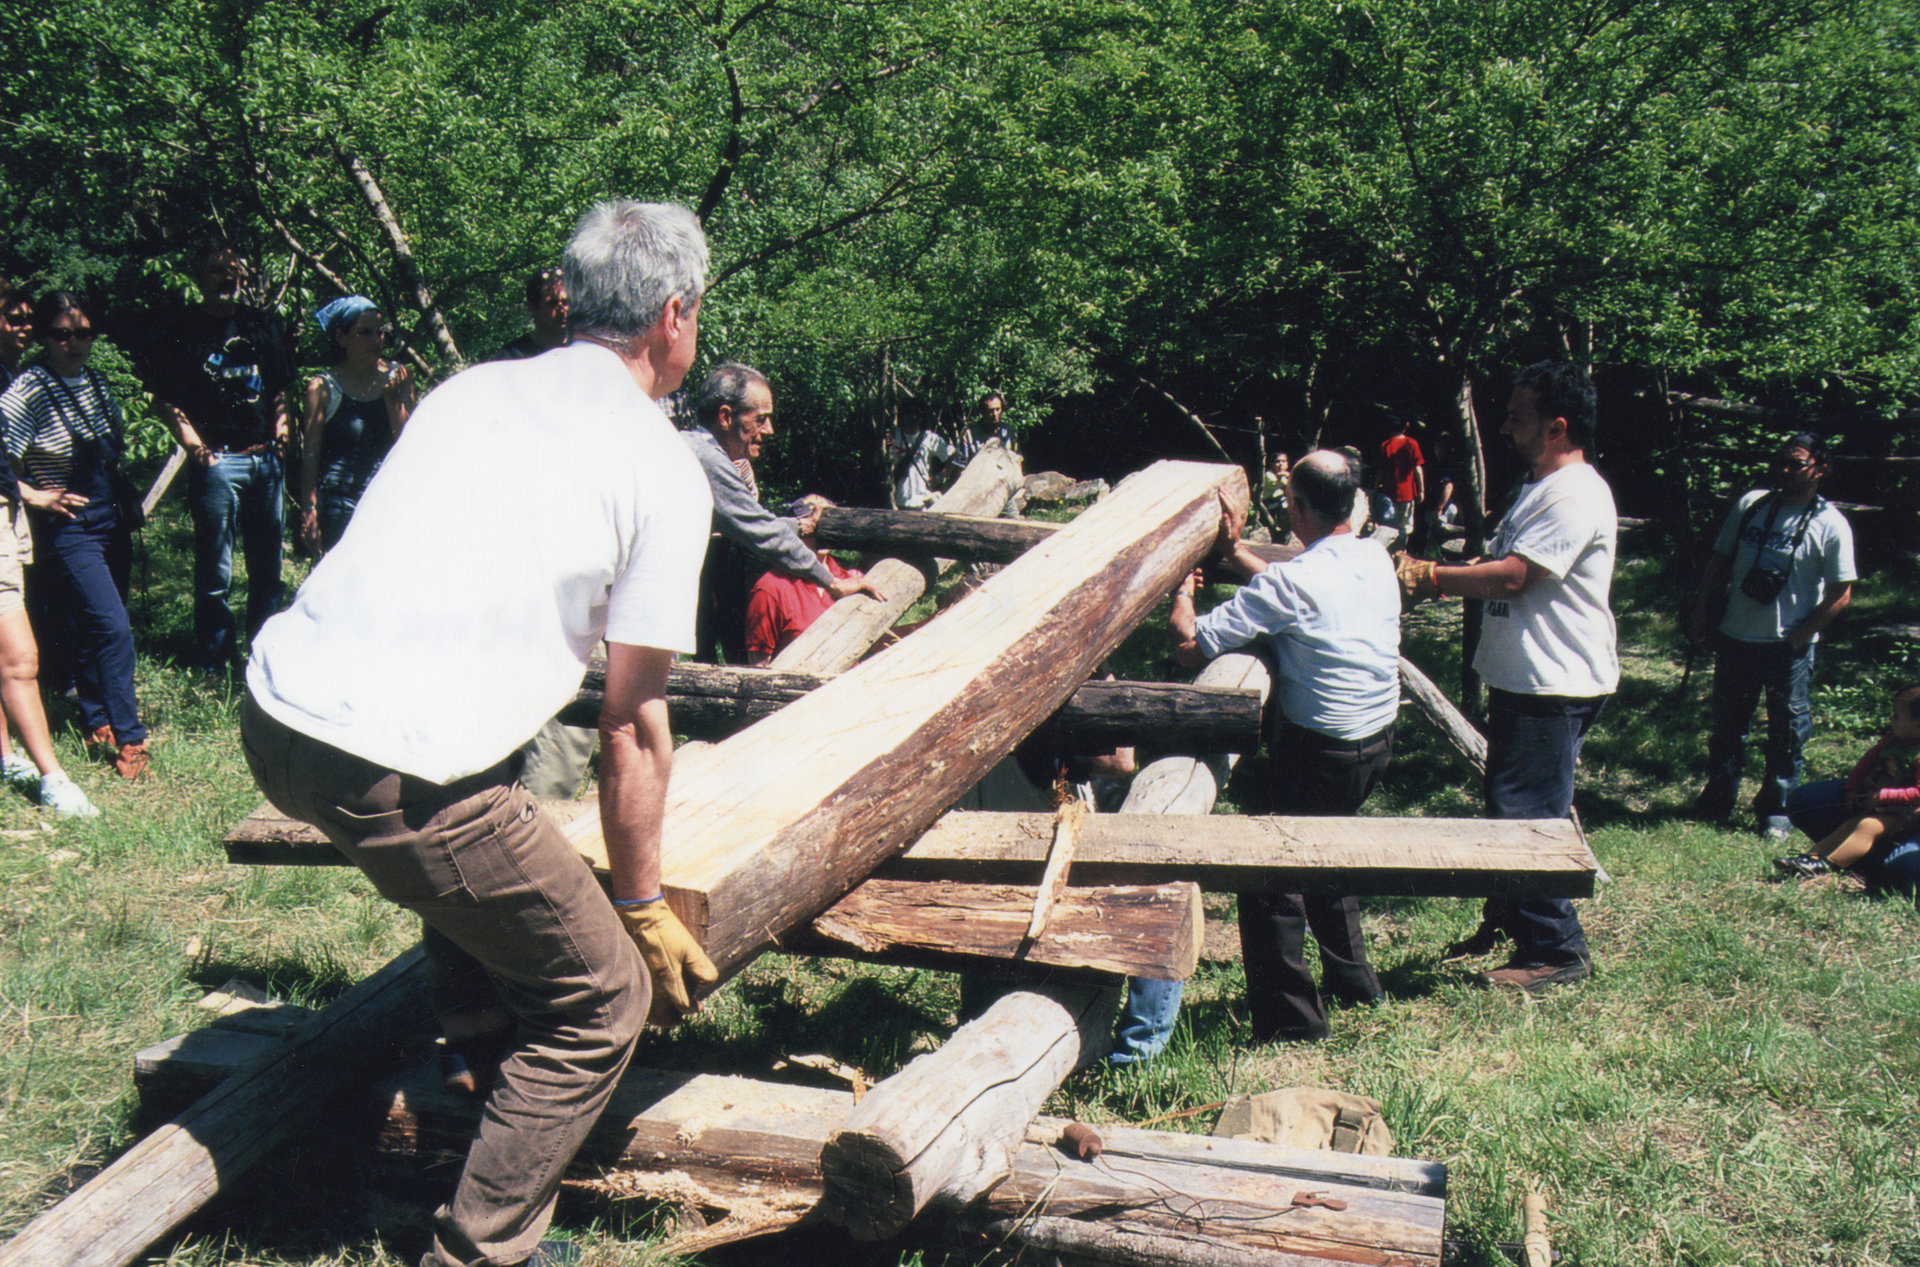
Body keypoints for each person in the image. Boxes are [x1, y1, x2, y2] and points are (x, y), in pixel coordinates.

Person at [242, 200, 719, 1267]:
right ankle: (480, 1248)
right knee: (602, 1000)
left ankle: (476, 1050)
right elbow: (634, 721)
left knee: (489, 809)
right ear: (674, 317)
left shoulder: (473, 391)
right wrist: (638, 905)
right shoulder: (659, 466)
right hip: (392, 766)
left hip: (275, 712)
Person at [1163, 449, 1398, 1044]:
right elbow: (1289, 587)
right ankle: (1354, 981)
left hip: (1322, 751)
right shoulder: (1373, 555)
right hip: (1374, 744)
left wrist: (1180, 594)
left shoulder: (1297, 580)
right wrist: (1235, 552)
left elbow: (1190, 647)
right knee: (1330, 848)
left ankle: (1292, 1019)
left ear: (1295, 505)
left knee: (1268, 872)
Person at [1398, 361, 1615, 993]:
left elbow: (1518, 575)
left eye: (1518, 416)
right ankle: (1517, 921)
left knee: (1528, 820)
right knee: (1515, 807)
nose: (1505, 426)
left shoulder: (1574, 492)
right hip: (1531, 680)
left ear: (1557, 426)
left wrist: (1429, 577)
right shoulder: (1541, 485)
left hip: (1554, 682)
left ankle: (1557, 951)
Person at [1, 292, 148, 781]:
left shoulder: (98, 383)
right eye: (62, 334)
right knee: (114, 627)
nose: (74, 343)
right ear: (43, 338)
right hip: (68, 528)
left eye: (82, 332)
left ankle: (96, 720)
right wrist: (37, 497)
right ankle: (132, 740)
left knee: (94, 629)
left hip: (110, 518)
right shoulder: (28, 391)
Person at [1688, 433, 1854, 840]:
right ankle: (1718, 797)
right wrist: (1700, 607)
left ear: (1820, 468)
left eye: (1794, 463)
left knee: (1787, 732)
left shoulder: (1829, 524)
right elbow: (1721, 559)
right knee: (1727, 725)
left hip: (1786, 648)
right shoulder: (1753, 505)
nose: (1783, 470)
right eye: (1779, 461)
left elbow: (1841, 592)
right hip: (1735, 636)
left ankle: (1777, 809)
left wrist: (1802, 637)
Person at [139, 244, 296, 670]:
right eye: (215, 268)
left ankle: (265, 657)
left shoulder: (262, 325)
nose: (226, 276)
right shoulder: (181, 330)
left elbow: (280, 387)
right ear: (199, 275)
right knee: (215, 571)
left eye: (232, 268)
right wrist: (197, 449)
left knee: (268, 568)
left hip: (265, 461)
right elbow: (166, 400)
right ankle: (215, 660)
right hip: (217, 463)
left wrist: (281, 436)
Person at [683, 362, 881, 664]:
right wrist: (832, 581)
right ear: (725, 417)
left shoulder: (693, 448)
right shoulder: (707, 460)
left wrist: (801, 526)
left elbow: (753, 521)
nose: (769, 430)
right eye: (760, 419)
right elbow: (760, 531)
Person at [0, 285, 97, 815]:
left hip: (7, 513)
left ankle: (5, 753)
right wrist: (35, 493)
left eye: (23, 318)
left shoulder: (10, 377)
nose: (20, 326)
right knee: (20, 658)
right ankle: (53, 779)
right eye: (10, 318)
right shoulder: (19, 387)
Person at [297, 296, 415, 553]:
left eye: (381, 332)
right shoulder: (323, 387)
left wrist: (392, 399)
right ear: (341, 338)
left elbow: (410, 443)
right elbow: (310, 455)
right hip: (339, 500)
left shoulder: (400, 376)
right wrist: (309, 510)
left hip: (388, 496)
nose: (377, 340)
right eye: (365, 333)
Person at [1774, 683, 1920, 884]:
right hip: (1877, 800)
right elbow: (1866, 762)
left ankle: (1830, 865)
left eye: (1896, 717)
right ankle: (1809, 859)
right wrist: (1852, 788)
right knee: (1848, 826)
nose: (1891, 720)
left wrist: (1883, 796)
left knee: (1866, 827)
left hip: (1902, 810)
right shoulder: (1893, 739)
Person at [743, 495, 854, 664]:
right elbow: (759, 666)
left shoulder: (851, 579)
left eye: (828, 524)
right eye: (813, 525)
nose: (821, 532)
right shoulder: (771, 588)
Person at [884, 397, 956, 510]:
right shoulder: (893, 436)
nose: (913, 417)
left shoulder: (929, 438)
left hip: (923, 502)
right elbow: (877, 461)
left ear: (922, 417)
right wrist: (884, 445)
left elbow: (953, 456)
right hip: (896, 501)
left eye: (917, 414)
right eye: (909, 413)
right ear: (902, 415)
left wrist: (939, 477)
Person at [493, 267, 570, 360]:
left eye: (566, 302)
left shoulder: (581, 351)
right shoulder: (512, 356)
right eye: (552, 303)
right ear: (531, 307)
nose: (562, 310)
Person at [1376, 415, 1424, 547]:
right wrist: (1421, 490)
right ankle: (1401, 552)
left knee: (1387, 526)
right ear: (1406, 426)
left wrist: (1375, 490)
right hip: (1407, 493)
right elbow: (1417, 469)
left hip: (1388, 493)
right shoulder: (1412, 444)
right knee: (1404, 527)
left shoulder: (1385, 445)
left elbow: (1380, 470)